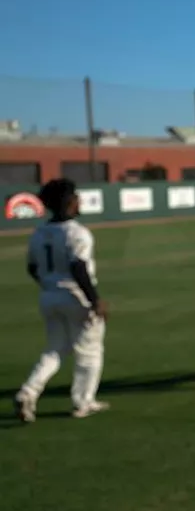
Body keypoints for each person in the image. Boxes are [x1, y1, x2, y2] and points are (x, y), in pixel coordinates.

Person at [13, 178, 111, 423]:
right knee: (89, 351)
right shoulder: (77, 233)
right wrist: (95, 300)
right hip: (75, 297)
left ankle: (28, 391)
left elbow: (33, 268)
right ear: (68, 202)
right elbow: (78, 267)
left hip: (49, 296)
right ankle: (83, 402)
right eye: (76, 196)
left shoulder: (39, 232)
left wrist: (50, 286)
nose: (79, 200)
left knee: (55, 349)